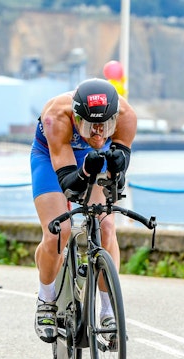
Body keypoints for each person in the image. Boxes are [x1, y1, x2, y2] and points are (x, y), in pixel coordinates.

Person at [30, 77, 137, 343]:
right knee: (57, 232)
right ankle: (46, 299)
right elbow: (70, 186)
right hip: (51, 155)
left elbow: (116, 182)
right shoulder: (56, 116)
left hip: (95, 158)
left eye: (105, 127)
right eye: (90, 127)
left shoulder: (127, 116)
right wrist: (86, 171)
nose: (98, 134)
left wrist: (117, 168)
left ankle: (108, 311)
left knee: (107, 226)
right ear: (77, 119)